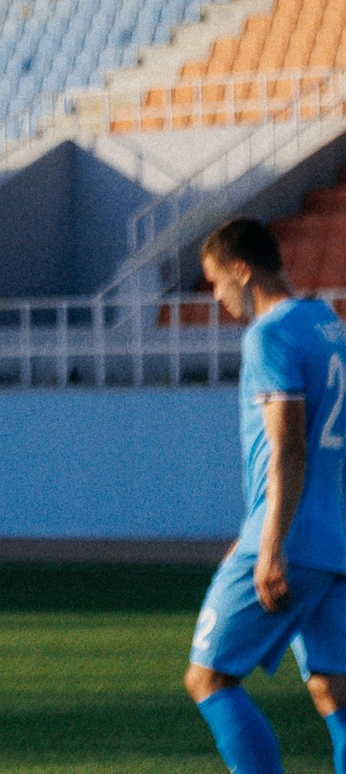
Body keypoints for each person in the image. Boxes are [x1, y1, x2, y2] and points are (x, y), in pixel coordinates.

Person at [184, 215, 346, 774]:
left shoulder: (269, 335)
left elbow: (289, 449)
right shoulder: (327, 324)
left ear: (242, 269)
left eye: (216, 281)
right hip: (335, 544)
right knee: (335, 692)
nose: (216, 296)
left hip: (289, 542)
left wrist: (269, 545)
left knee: (208, 678)